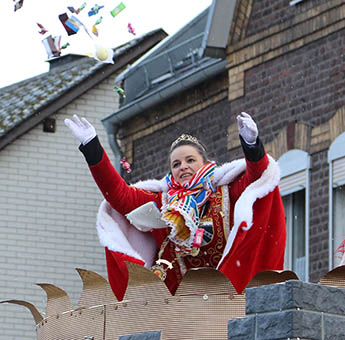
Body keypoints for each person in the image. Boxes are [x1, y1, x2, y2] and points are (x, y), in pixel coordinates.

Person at [65, 113, 286, 301]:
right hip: (177, 309)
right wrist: (92, 148)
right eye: (176, 164)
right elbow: (119, 195)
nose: (183, 167)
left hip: (228, 298)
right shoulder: (163, 202)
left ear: (206, 163)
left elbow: (257, 178)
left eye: (190, 160)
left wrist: (252, 146)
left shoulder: (227, 191)